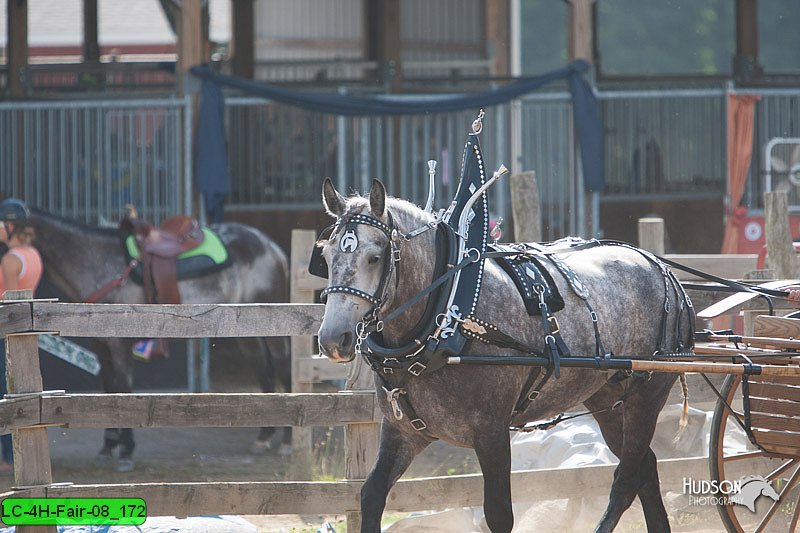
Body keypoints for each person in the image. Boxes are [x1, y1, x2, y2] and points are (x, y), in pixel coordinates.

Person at [0, 199, 42, 473]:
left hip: (5, 332)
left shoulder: (10, 259)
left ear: (11, 225)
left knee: (4, 394)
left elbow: (10, 301)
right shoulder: (33, 255)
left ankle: (6, 460)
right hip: (24, 332)